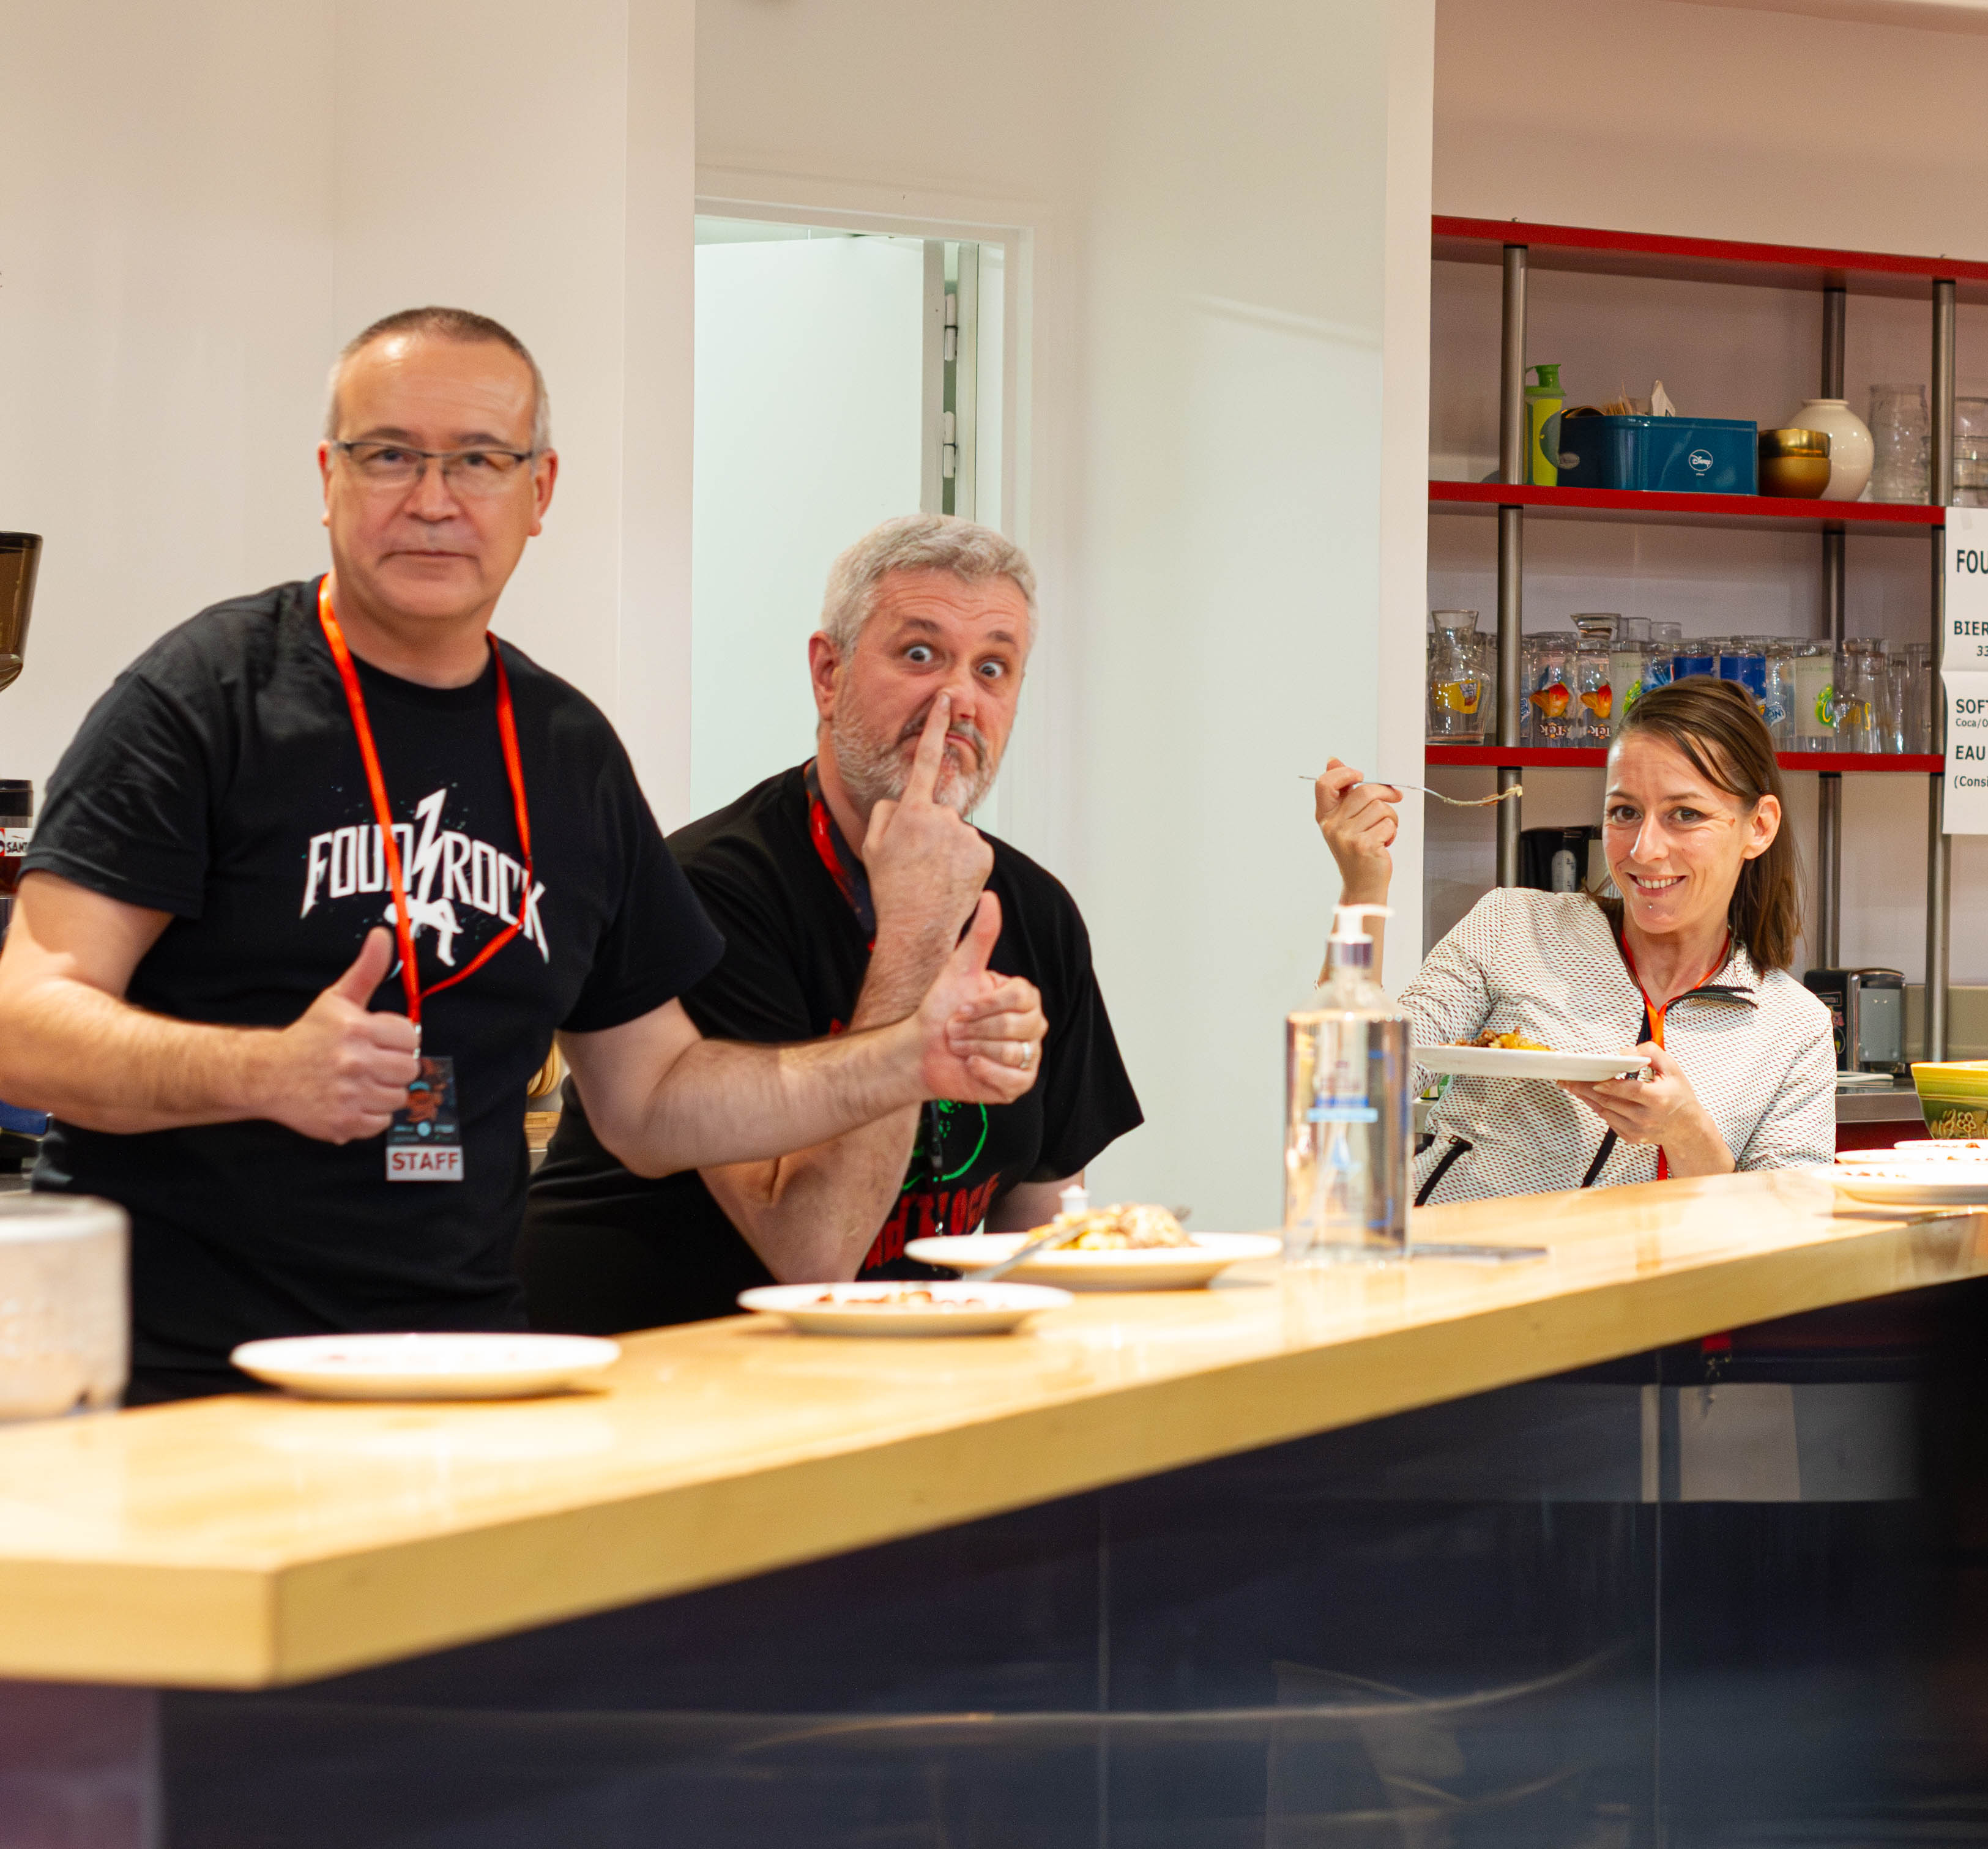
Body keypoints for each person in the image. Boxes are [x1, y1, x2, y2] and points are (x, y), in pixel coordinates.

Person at [0, 309, 1045, 1402]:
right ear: (328, 478)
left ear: (539, 492)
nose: (433, 498)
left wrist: (904, 1057)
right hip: (176, 1376)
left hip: (461, 1366)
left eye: (480, 460)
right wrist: (260, 1071)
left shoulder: (566, 752)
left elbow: (655, 1102)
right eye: (389, 455)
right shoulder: (203, 701)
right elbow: (25, 1027)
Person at [517, 515, 1141, 1333]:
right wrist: (915, 932)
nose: (958, 700)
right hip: (660, 1357)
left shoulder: (1033, 908)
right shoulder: (707, 888)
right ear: (828, 673)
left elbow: (1040, 1233)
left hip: (892, 1363)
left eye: (993, 668)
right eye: (919, 654)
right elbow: (813, 1256)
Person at [1314, 675, 1834, 1203]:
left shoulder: (1794, 1027)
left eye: (1685, 815)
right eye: (1625, 812)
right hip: (1455, 1251)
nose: (1644, 849)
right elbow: (1348, 1084)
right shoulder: (1510, 927)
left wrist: (1688, 1135)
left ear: (1759, 827)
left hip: (1641, 1263)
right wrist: (1363, 887)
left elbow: (1790, 1223)